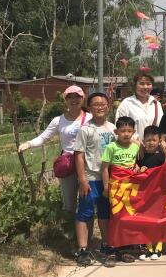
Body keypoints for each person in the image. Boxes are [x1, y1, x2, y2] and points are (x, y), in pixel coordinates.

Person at [18, 85, 91, 214]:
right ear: (65, 100)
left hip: (88, 164)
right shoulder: (58, 120)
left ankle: (85, 227)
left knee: (87, 201)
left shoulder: (91, 118)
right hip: (69, 165)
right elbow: (44, 137)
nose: (74, 100)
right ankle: (70, 225)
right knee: (69, 204)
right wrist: (29, 144)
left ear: (83, 98)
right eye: (70, 97)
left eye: (77, 97)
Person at [72, 92, 115, 267]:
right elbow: (79, 156)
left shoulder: (113, 128)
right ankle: (83, 249)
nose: (100, 107)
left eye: (103, 104)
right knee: (85, 212)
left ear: (108, 107)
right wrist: (82, 180)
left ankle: (106, 244)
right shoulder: (85, 129)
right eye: (96, 104)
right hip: (90, 178)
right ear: (89, 108)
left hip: (109, 179)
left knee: (105, 213)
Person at [99, 116, 140, 264]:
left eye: (129, 131)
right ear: (116, 132)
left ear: (134, 132)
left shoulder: (136, 147)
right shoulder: (111, 147)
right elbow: (104, 168)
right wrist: (106, 186)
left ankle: (125, 249)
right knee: (116, 217)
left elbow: (136, 164)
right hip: (116, 186)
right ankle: (112, 249)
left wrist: (136, 168)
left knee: (128, 217)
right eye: (123, 131)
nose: (126, 134)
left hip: (130, 187)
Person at [135, 125, 166, 261]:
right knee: (145, 220)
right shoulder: (140, 155)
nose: (151, 143)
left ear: (159, 141)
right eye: (148, 140)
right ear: (144, 141)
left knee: (159, 220)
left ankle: (159, 247)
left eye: (154, 140)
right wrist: (139, 169)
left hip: (159, 193)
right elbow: (136, 169)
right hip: (145, 194)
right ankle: (148, 248)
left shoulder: (161, 156)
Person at [116, 72, 163, 140]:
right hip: (132, 145)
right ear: (135, 85)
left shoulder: (157, 104)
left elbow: (161, 127)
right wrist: (134, 141)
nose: (145, 87)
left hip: (153, 145)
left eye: (148, 84)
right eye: (142, 84)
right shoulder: (126, 103)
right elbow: (119, 128)